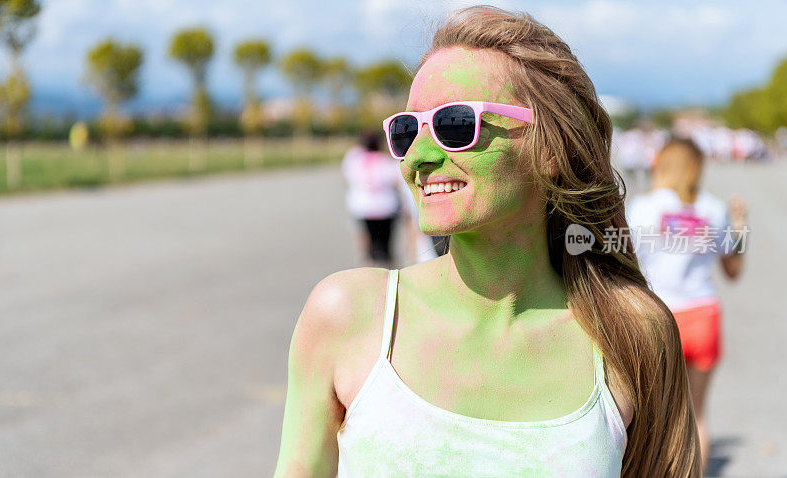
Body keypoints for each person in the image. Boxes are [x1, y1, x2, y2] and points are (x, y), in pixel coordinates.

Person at [276, 7, 700, 477]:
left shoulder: (633, 332)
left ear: (551, 149)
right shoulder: (347, 315)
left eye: (456, 125)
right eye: (406, 129)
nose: (418, 156)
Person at [626, 137, 748, 472]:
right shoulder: (712, 208)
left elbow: (624, 263)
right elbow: (733, 271)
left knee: (652, 415)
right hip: (704, 316)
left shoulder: (644, 207)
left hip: (659, 317)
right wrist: (740, 227)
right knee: (697, 414)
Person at [341, 131, 402, 267]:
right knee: (385, 243)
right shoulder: (386, 161)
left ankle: (366, 264)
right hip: (386, 207)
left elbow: (347, 179)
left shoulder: (355, 159)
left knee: (365, 239)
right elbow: (395, 181)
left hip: (362, 207)